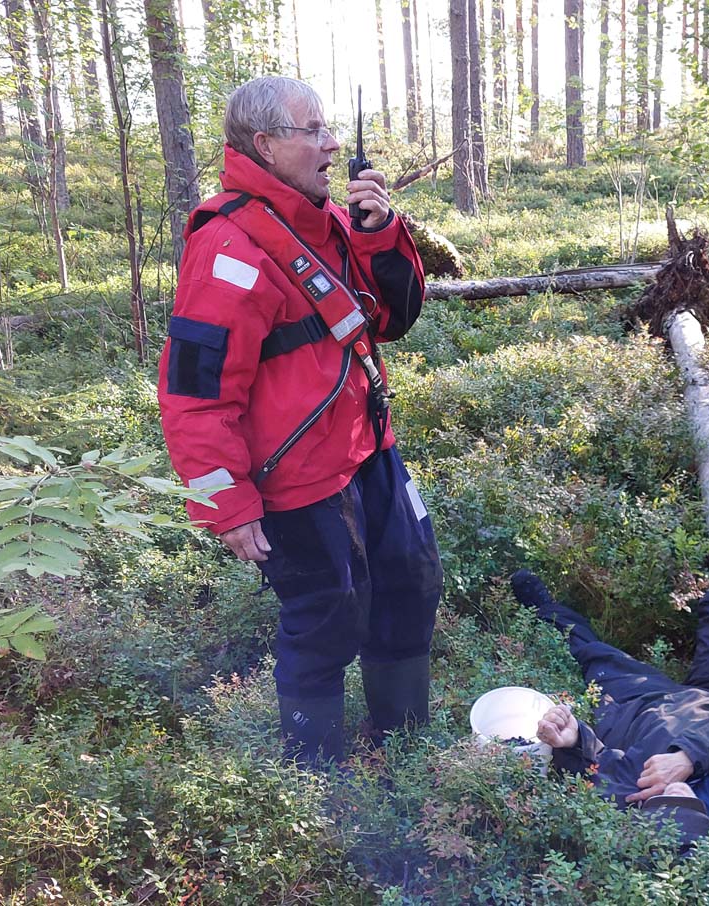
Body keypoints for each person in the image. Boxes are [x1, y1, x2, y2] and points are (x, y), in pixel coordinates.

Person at [157, 76, 443, 765]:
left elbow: (391, 319)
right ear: (266, 144)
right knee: (325, 616)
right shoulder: (227, 249)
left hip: (369, 449)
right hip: (297, 480)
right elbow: (195, 392)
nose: (332, 144)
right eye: (312, 131)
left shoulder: (328, 222)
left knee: (410, 581)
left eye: (328, 128)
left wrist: (377, 234)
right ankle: (316, 782)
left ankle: (403, 753)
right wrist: (227, 503)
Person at [511, 526, 709, 847]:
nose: (674, 792)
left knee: (593, 655)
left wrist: (574, 737)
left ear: (643, 810)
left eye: (661, 800)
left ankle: (545, 609)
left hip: (639, 706)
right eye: (688, 801)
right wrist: (689, 757)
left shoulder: (628, 794)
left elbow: (597, 764)